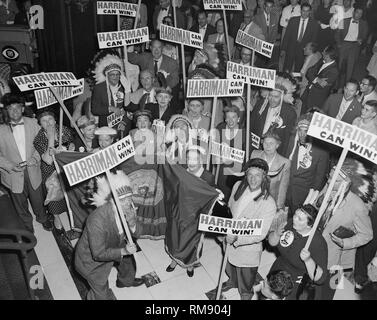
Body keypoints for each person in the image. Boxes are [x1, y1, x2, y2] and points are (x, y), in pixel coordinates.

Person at [307, 160, 373, 300]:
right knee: (312, 283)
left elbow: (367, 235)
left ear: (346, 182)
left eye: (333, 179)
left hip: (338, 259)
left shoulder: (357, 206)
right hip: (316, 247)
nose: (329, 181)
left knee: (329, 290)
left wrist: (345, 243)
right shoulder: (329, 186)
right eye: (328, 176)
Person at [74, 171, 145, 300]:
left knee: (128, 262)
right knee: (101, 293)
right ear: (112, 201)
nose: (128, 203)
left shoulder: (128, 207)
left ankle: (125, 281)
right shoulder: (97, 221)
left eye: (129, 198)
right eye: (122, 200)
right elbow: (98, 254)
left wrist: (133, 222)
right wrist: (123, 251)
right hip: (92, 264)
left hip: (117, 242)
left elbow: (138, 232)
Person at [221, 158, 276, 300]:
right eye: (250, 174)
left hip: (247, 249)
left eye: (257, 175)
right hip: (228, 239)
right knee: (229, 266)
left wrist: (237, 238)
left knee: (246, 277)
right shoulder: (238, 185)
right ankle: (232, 281)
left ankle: (246, 293)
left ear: (264, 178)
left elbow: (261, 234)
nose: (253, 179)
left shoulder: (269, 203)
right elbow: (229, 208)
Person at [0, 94, 51, 233]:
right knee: (19, 203)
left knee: (38, 198)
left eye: (17, 108)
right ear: (6, 111)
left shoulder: (34, 123)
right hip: (12, 173)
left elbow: (42, 144)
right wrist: (9, 165)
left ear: (23, 109)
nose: (15, 111)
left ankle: (42, 218)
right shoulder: (0, 129)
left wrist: (35, 159)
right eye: (11, 109)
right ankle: (27, 224)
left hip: (33, 169)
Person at [166, 146, 216, 277]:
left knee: (192, 242)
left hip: (197, 218)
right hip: (180, 212)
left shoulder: (208, 176)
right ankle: (174, 260)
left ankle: (190, 264)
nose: (191, 162)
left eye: (195, 159)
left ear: (201, 160)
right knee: (177, 237)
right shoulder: (182, 171)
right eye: (189, 158)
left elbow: (211, 195)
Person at [268, 204, 328, 300]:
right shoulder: (291, 223)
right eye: (295, 215)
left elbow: (321, 279)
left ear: (309, 225)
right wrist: (276, 234)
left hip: (296, 279)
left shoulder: (318, 242)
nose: (294, 219)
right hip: (279, 268)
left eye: (299, 219)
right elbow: (271, 242)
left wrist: (308, 260)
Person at [33, 110, 74, 231]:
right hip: (50, 171)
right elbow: (48, 160)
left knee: (69, 193)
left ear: (55, 120)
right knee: (54, 196)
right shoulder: (39, 139)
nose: (48, 123)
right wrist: (51, 137)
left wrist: (71, 146)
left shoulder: (64, 129)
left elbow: (71, 143)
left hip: (65, 167)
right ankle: (56, 217)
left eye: (50, 119)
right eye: (44, 121)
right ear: (40, 124)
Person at [286, 114, 329, 217]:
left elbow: (318, 182)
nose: (302, 134)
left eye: (306, 131)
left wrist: (309, 201)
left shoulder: (321, 152)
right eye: (300, 130)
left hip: (303, 198)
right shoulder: (292, 143)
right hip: (287, 193)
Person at [250, 76, 297, 157]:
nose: (272, 99)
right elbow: (251, 126)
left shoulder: (290, 113)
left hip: (276, 154)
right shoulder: (260, 104)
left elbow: (287, 140)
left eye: (276, 97)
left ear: (282, 97)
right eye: (270, 95)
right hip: (256, 149)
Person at [250, 130, 291, 213]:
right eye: (265, 143)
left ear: (277, 145)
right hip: (251, 199)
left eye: (271, 143)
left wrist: (278, 208)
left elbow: (283, 188)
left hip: (270, 203)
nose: (268, 146)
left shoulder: (285, 162)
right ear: (262, 143)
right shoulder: (254, 154)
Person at [91, 56, 132, 136]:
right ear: (107, 76)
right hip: (106, 128)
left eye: (117, 75)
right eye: (112, 75)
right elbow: (95, 110)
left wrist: (124, 122)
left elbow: (130, 108)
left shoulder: (125, 86)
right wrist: (110, 108)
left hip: (123, 126)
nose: (115, 77)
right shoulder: (99, 88)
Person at [214, 105, 245, 201]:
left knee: (231, 197)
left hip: (235, 172)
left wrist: (230, 157)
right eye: (228, 117)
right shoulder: (220, 127)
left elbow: (246, 156)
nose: (230, 120)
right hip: (220, 170)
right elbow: (213, 148)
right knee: (219, 195)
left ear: (238, 118)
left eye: (233, 117)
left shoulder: (244, 133)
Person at [281, 2, 319, 73]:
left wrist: (310, 53)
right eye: (303, 11)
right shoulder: (293, 20)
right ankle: (284, 82)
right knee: (286, 69)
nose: (305, 13)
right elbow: (287, 35)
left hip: (303, 50)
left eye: (307, 11)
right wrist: (283, 49)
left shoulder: (314, 24)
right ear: (300, 11)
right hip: (291, 47)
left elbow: (313, 40)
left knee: (298, 71)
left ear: (310, 12)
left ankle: (296, 83)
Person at [336, 7, 368, 89]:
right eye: (357, 12)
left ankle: (346, 88)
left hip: (354, 46)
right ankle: (336, 86)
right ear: (353, 12)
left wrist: (361, 40)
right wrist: (339, 45)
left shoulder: (364, 23)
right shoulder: (344, 21)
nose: (359, 15)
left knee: (350, 69)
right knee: (339, 67)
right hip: (344, 45)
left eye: (361, 13)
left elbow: (364, 36)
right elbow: (337, 34)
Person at [301, 45, 338, 112]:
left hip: (316, 100)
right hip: (307, 94)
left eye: (323, 51)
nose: (322, 52)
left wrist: (314, 78)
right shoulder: (322, 61)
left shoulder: (334, 71)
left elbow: (320, 85)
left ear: (327, 55)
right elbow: (308, 72)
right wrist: (317, 79)